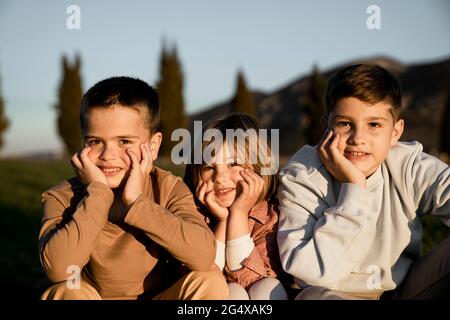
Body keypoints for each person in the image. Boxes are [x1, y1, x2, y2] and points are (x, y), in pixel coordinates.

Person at [39, 76, 228, 300]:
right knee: (67, 290)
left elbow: (203, 256)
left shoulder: (168, 188)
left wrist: (138, 203)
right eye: (95, 142)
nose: (108, 155)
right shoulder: (63, 196)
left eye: (124, 141)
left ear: (153, 145)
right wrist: (97, 193)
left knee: (210, 282)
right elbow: (58, 269)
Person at [277, 64, 450, 300]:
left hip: (406, 290)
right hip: (334, 294)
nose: (358, 138)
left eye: (374, 124)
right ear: (325, 126)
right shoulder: (302, 176)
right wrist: (355, 189)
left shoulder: (408, 165)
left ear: (395, 133)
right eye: (345, 123)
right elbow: (309, 274)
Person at [184, 113, 290, 300]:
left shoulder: (271, 217)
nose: (220, 177)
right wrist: (222, 221)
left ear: (259, 166)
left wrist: (238, 214)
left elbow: (251, 277)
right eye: (209, 167)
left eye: (233, 163)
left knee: (267, 286)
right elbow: (206, 278)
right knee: (231, 293)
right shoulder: (192, 215)